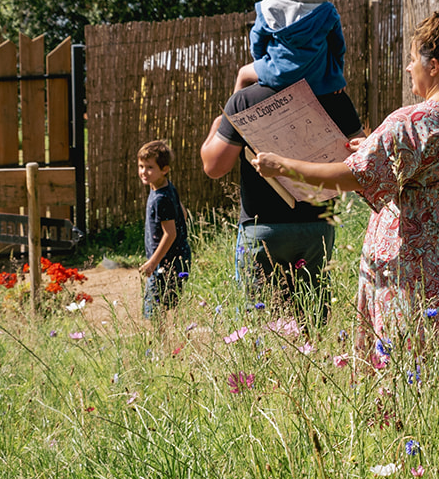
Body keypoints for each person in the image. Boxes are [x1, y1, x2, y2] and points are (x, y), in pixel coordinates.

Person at [251, 11, 439, 345]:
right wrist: (374, 148)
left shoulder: (409, 120)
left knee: (418, 350)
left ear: (433, 65)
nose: (409, 68)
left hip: (419, 254)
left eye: (412, 60)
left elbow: (352, 176)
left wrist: (283, 166)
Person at [199, 83, 363, 319]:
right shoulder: (333, 96)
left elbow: (214, 167)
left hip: (262, 227)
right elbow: (364, 158)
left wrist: (219, 125)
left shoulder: (244, 101)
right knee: (311, 321)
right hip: (318, 228)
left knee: (262, 327)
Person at [136, 139, 190, 318]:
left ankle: (161, 343)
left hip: (165, 264)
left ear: (164, 169)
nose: (144, 172)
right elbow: (182, 212)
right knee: (167, 308)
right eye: (141, 166)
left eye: (150, 167)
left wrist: (152, 262)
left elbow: (170, 233)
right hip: (176, 258)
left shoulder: (160, 198)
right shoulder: (167, 187)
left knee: (155, 311)